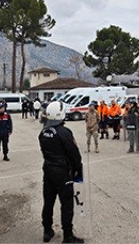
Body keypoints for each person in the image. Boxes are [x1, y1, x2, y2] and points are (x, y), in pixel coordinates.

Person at [38, 102, 84, 243]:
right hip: (62, 172)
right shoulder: (64, 132)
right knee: (67, 204)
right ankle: (68, 236)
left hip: (48, 169)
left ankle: (47, 231)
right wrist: (77, 169)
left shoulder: (43, 132)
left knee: (49, 201)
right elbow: (74, 154)